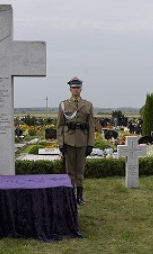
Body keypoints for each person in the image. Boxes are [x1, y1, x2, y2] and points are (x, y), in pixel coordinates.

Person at [57, 77, 95, 205]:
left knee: (80, 170)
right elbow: (60, 125)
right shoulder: (64, 104)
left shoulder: (88, 105)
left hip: (83, 142)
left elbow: (91, 125)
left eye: (78, 87)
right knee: (70, 171)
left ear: (81, 89)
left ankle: (80, 196)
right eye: (74, 88)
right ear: (70, 89)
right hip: (69, 141)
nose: (76, 90)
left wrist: (90, 144)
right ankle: (71, 195)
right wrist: (61, 143)